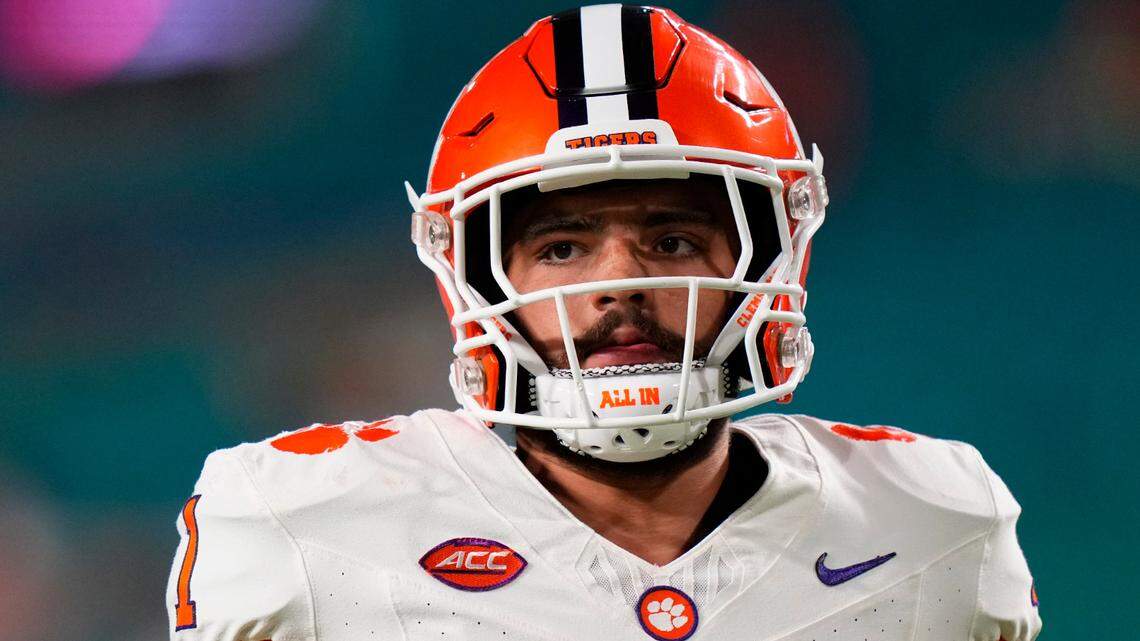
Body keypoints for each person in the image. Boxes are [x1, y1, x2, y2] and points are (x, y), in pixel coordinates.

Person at [166, 5, 1042, 641]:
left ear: (770, 260)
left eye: (669, 237)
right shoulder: (300, 525)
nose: (618, 283)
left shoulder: (935, 522)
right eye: (561, 248)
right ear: (469, 270)